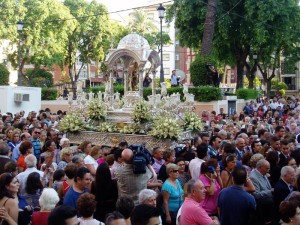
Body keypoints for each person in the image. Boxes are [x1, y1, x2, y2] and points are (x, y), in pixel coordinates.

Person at [249, 159, 275, 224]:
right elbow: (256, 195)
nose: (268, 171)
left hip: (268, 204)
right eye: (267, 169)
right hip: (261, 209)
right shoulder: (253, 177)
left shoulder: (263, 174)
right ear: (260, 168)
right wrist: (270, 191)